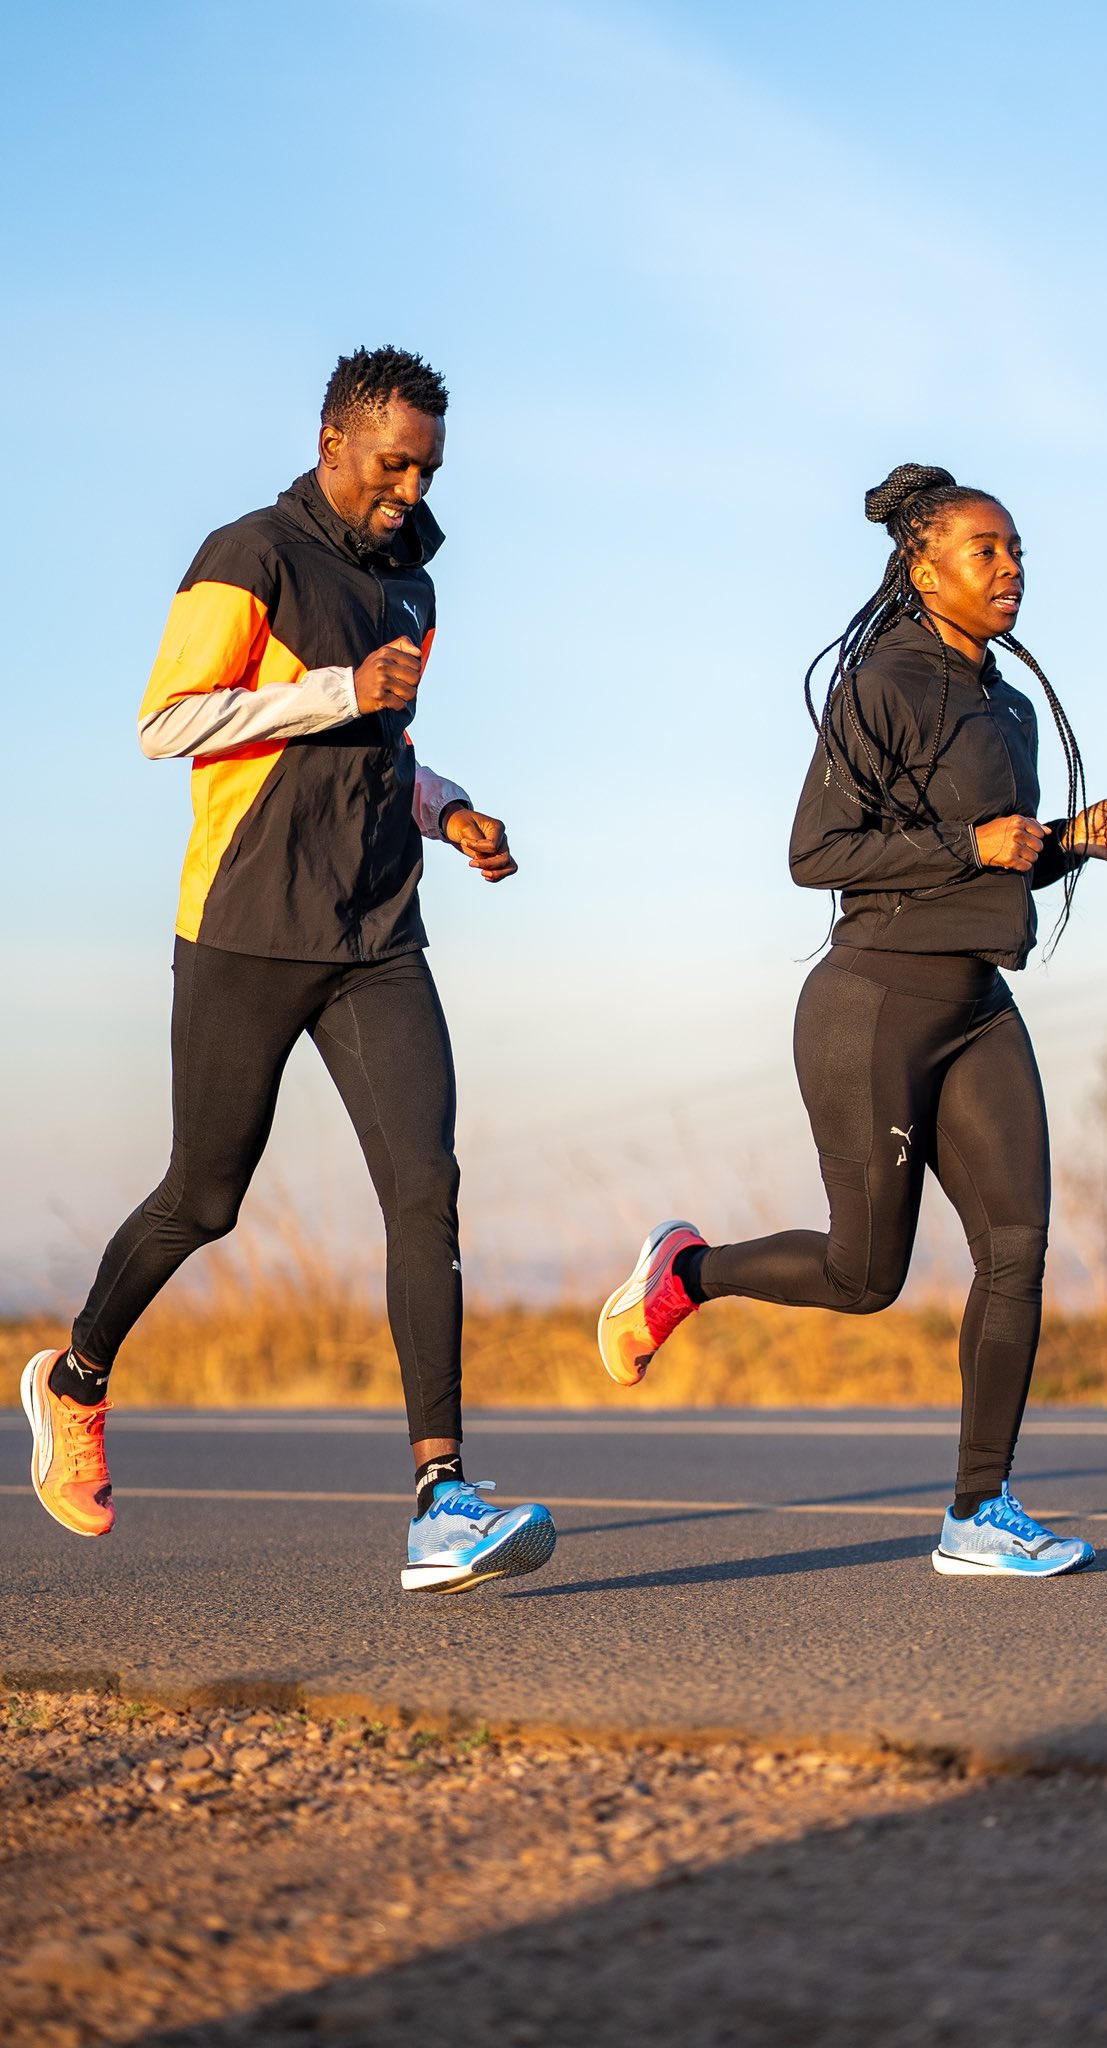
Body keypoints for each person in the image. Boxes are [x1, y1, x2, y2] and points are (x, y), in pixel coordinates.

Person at [21, 345, 555, 1596]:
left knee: (424, 1187)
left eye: (426, 469)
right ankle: (77, 1374)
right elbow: (166, 720)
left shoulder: (417, 580)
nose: (410, 491)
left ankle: (441, 1495)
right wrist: (331, 689)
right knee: (205, 1197)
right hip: (248, 927)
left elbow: (378, 744)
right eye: (392, 464)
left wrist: (449, 807)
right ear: (332, 444)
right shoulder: (247, 552)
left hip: (377, 930)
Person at [598, 462, 1107, 1577]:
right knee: (864, 1274)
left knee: (1016, 1248)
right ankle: (685, 1273)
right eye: (985, 550)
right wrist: (973, 843)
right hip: (874, 1002)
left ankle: (976, 1512)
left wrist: (1061, 840)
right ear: (921, 563)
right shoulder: (882, 684)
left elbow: (995, 869)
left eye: (1017, 550)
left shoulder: (1010, 704)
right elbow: (817, 854)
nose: (1011, 569)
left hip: (977, 1004)